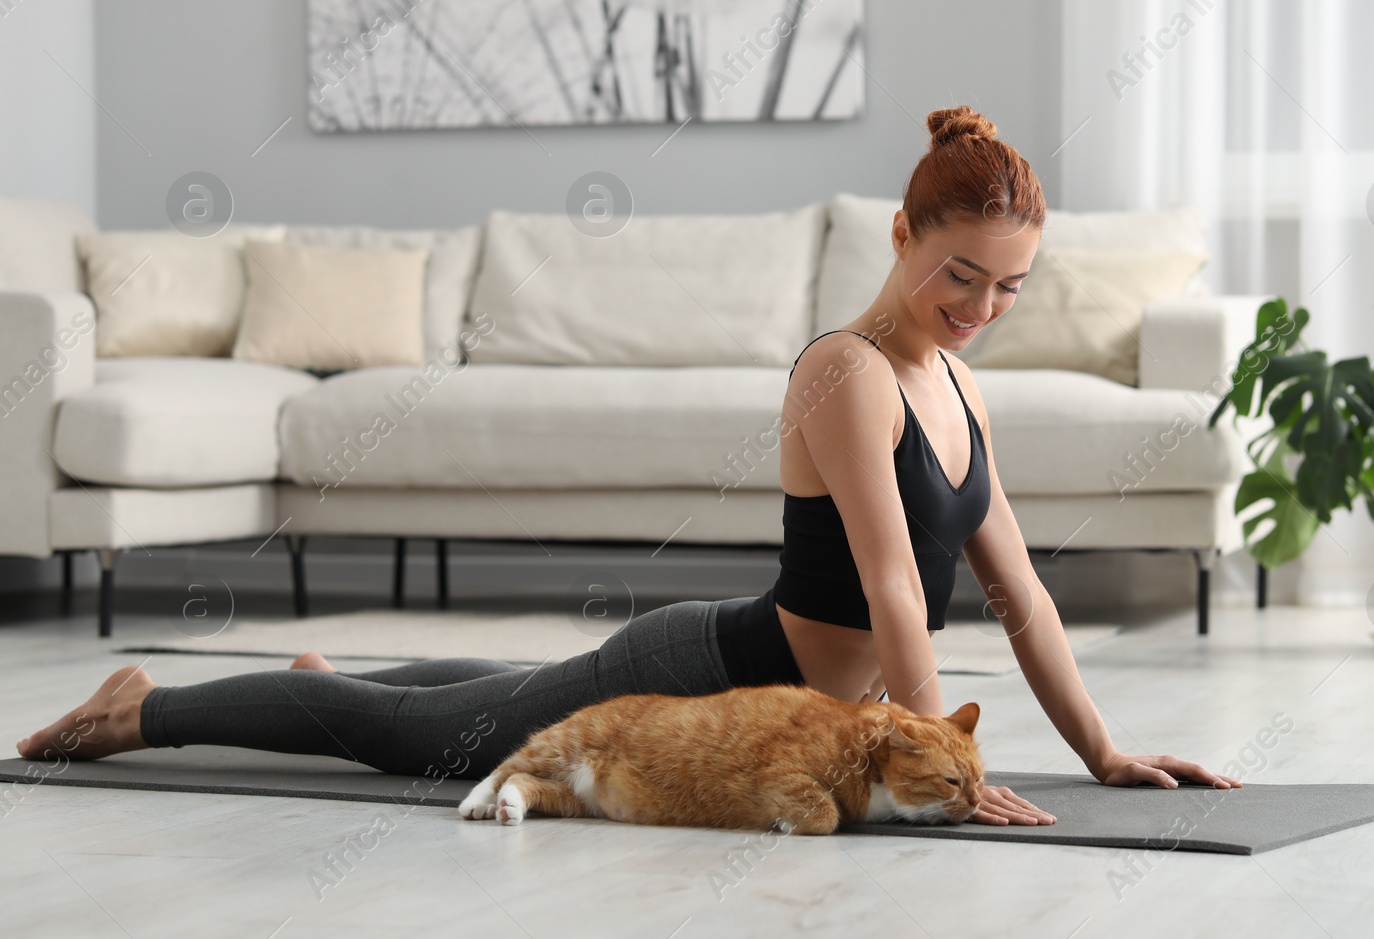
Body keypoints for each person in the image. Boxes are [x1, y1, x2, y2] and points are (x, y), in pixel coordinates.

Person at [17, 105, 1240, 826]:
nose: (981, 305)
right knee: (424, 741)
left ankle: (324, 670)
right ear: (902, 235)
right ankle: (145, 707)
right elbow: (895, 592)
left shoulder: (957, 384)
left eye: (1008, 284)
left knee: (488, 690)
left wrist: (1104, 753)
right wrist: (931, 763)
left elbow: (1019, 592)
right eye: (959, 272)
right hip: (699, 674)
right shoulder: (847, 370)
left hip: (746, 681)